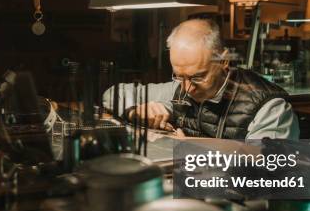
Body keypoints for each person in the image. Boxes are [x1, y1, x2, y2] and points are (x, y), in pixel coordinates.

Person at [103, 18, 299, 140]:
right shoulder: (179, 88)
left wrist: (197, 150)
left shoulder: (270, 109)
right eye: (179, 76)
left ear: (223, 61)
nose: (187, 88)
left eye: (198, 77)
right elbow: (111, 94)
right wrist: (135, 111)